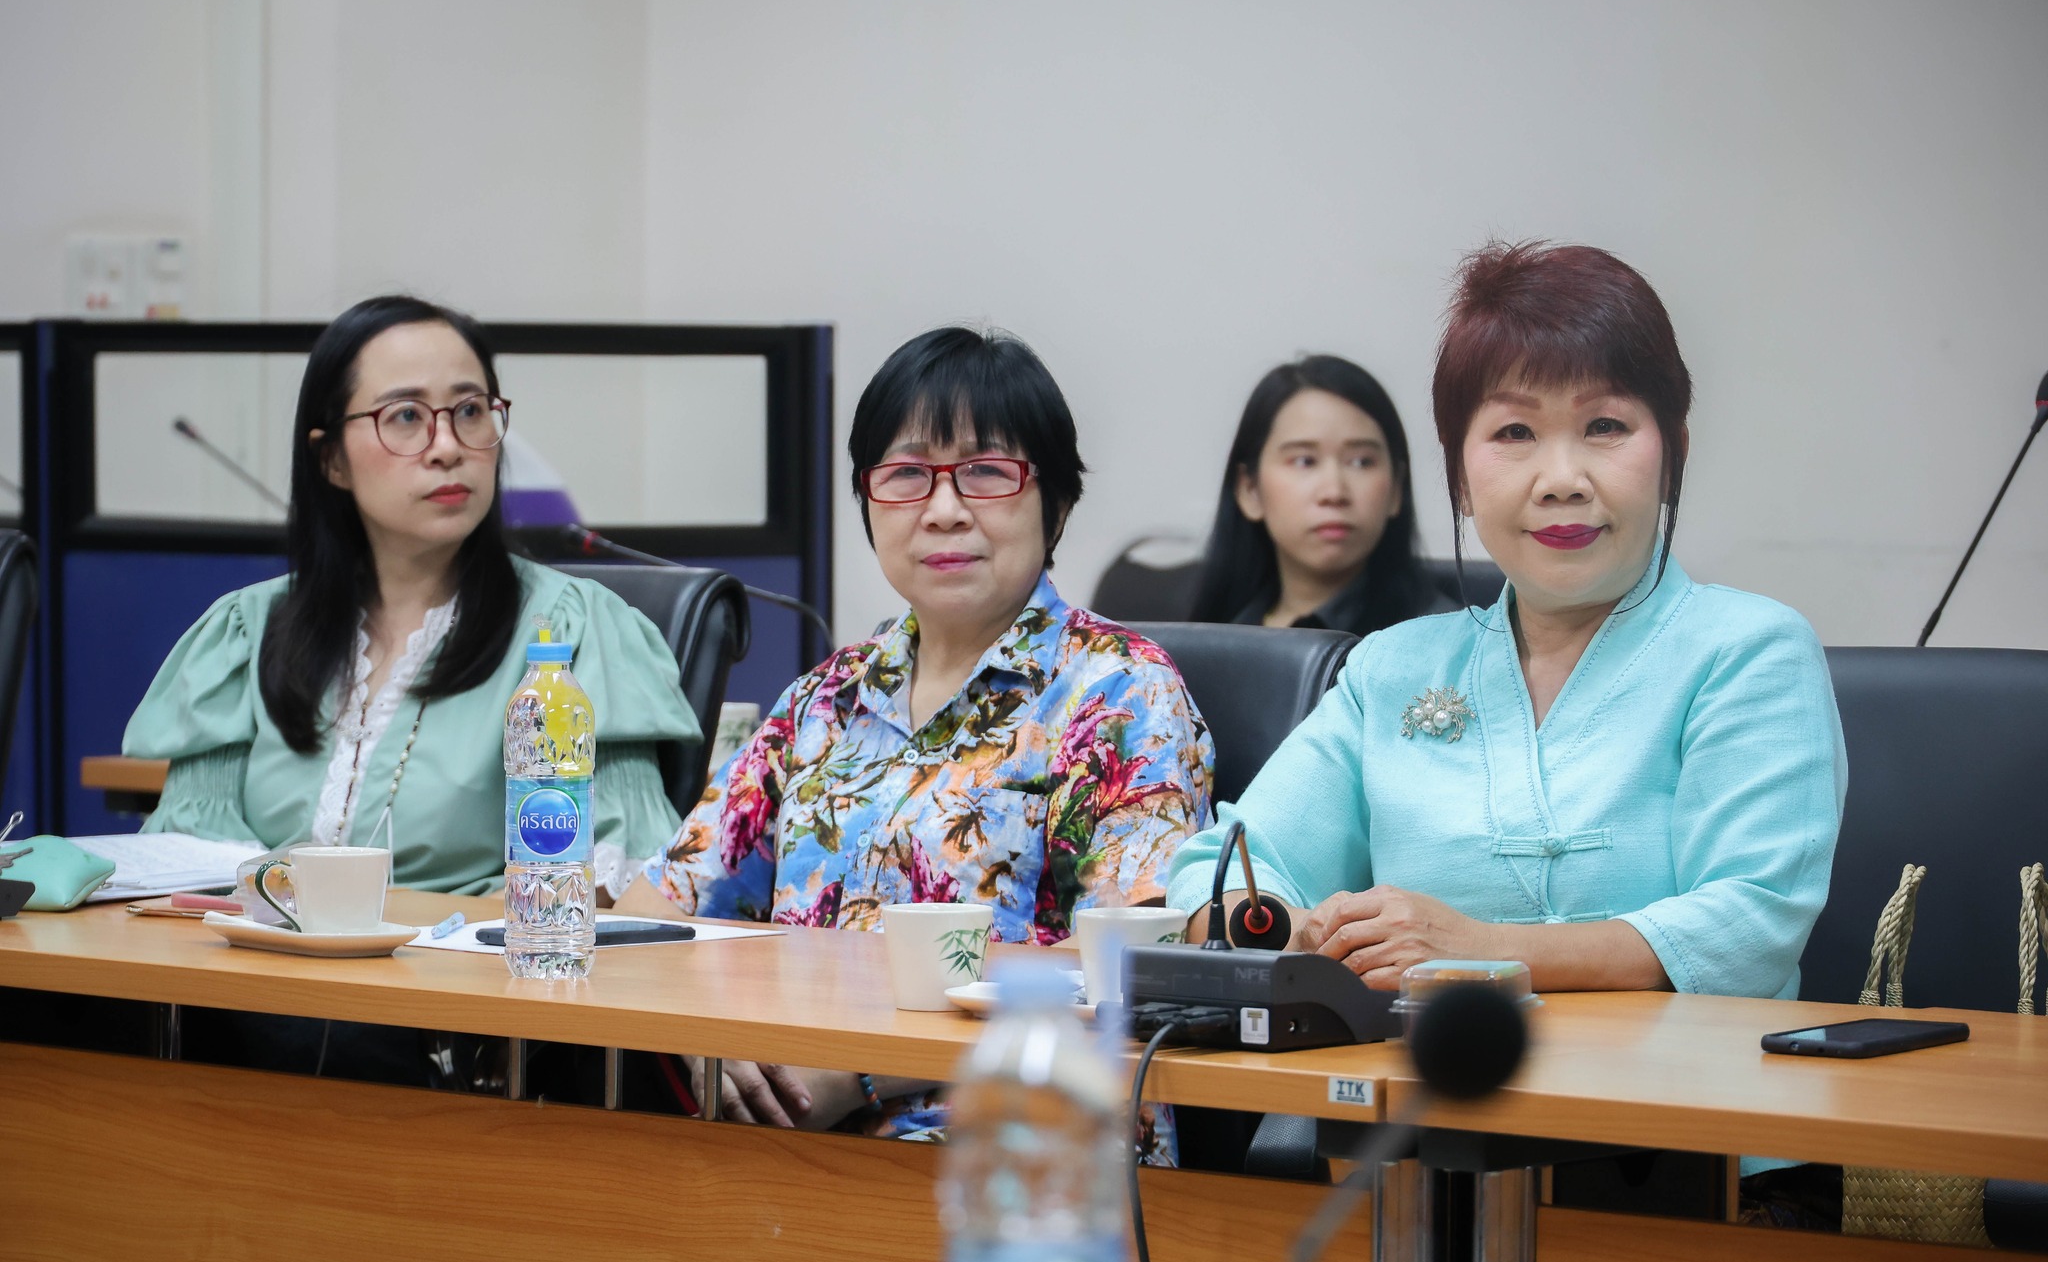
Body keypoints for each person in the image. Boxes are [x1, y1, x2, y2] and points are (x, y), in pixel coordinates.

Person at [1168, 241, 1846, 1004]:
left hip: (1674, 1079)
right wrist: (1307, 935)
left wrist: (1481, 951)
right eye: (1515, 433)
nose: (1561, 480)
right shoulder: (1389, 668)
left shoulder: (1750, 650)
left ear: (1674, 452)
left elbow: (1750, 924)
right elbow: (1215, 873)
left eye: (1605, 425)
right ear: (1458, 474)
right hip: (1407, 1078)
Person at [619, 326, 1213, 1154]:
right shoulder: (823, 701)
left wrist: (865, 1066)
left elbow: (1131, 974)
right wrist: (698, 1031)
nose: (943, 509)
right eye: (905, 475)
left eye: (986, 471)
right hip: (781, 1149)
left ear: (1056, 502)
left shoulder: (1118, 693)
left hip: (1027, 1155)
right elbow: (653, 919)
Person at [125, 295, 698, 897]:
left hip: (477, 955)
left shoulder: (572, 635)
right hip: (258, 954)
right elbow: (192, 861)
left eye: (470, 410)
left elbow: (617, 876)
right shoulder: (246, 634)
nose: (448, 446)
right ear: (332, 459)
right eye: (405, 416)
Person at [1190, 355, 1453, 637]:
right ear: (1250, 490)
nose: (1334, 493)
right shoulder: (1210, 637)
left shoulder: (1443, 644)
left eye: (1361, 462)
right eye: (1304, 461)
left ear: (1396, 488)